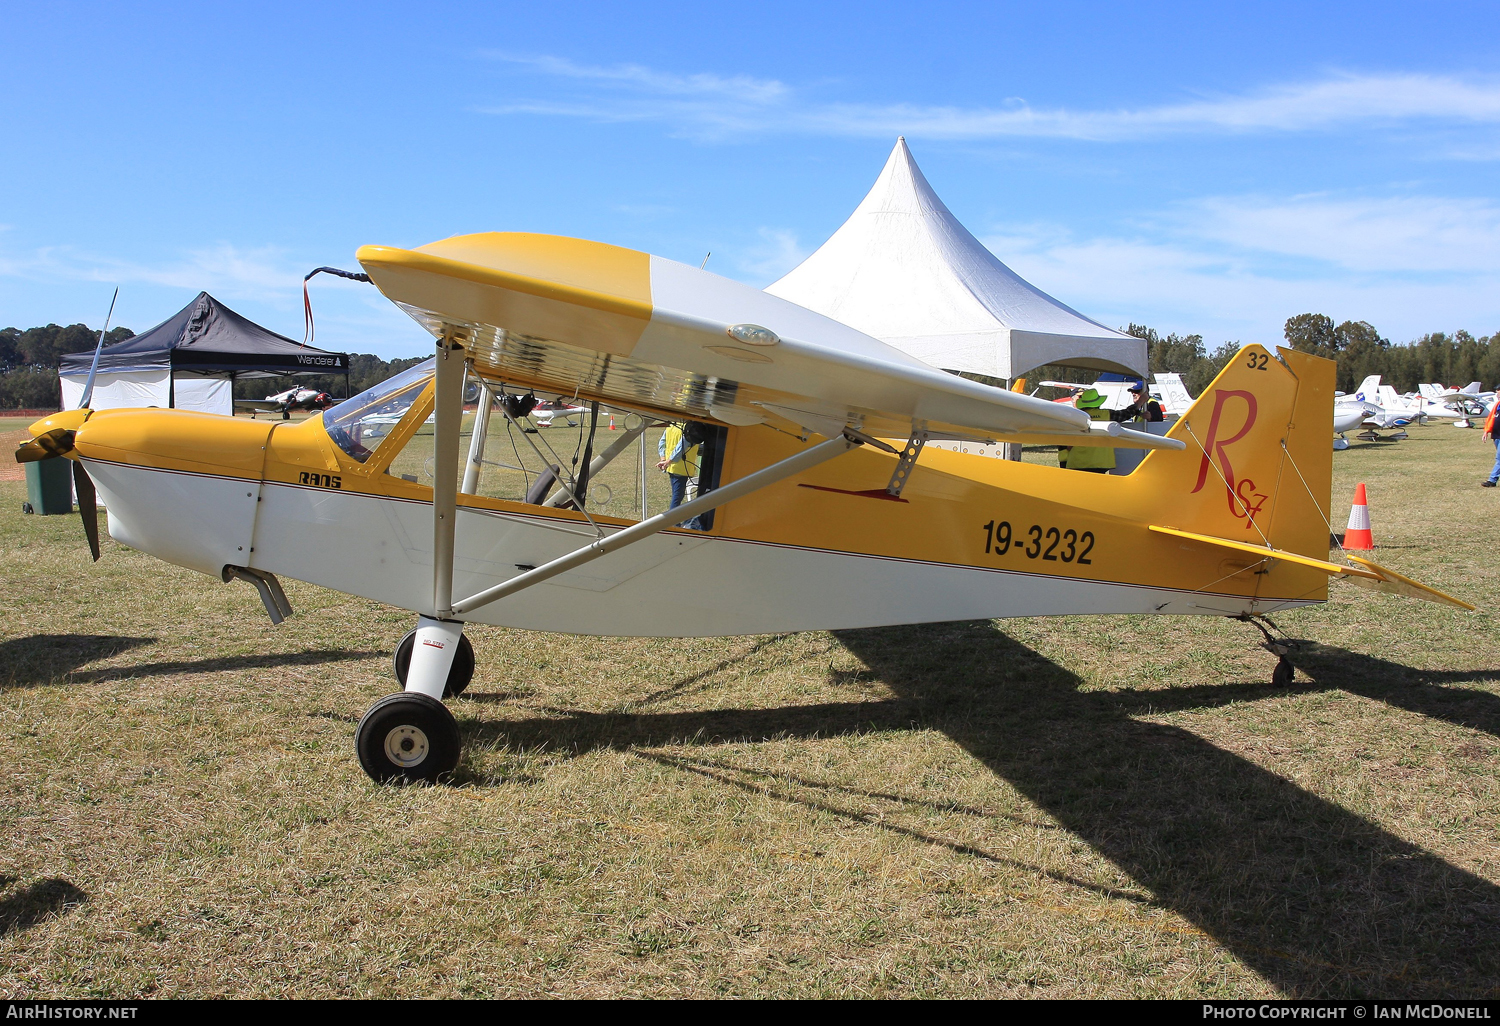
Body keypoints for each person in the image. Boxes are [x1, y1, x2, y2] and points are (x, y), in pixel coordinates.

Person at [1059, 388, 1115, 473]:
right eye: (1079, 396)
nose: (1080, 398)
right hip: (1094, 462)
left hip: (1077, 463)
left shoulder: (1071, 417)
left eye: (1082, 397)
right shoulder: (1106, 414)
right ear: (1072, 399)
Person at [657, 421, 701, 508]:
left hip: (671, 467)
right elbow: (682, 446)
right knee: (677, 497)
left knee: (676, 495)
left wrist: (663, 459)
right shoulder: (689, 428)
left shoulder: (672, 425)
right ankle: (672, 520)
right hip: (681, 468)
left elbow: (662, 442)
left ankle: (673, 520)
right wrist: (669, 461)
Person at [1482, 400, 1500, 487]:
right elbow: (1491, 418)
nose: (1498, 392)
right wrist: (1486, 431)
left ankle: (1492, 480)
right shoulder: (1498, 404)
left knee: (1499, 458)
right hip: (1496, 435)